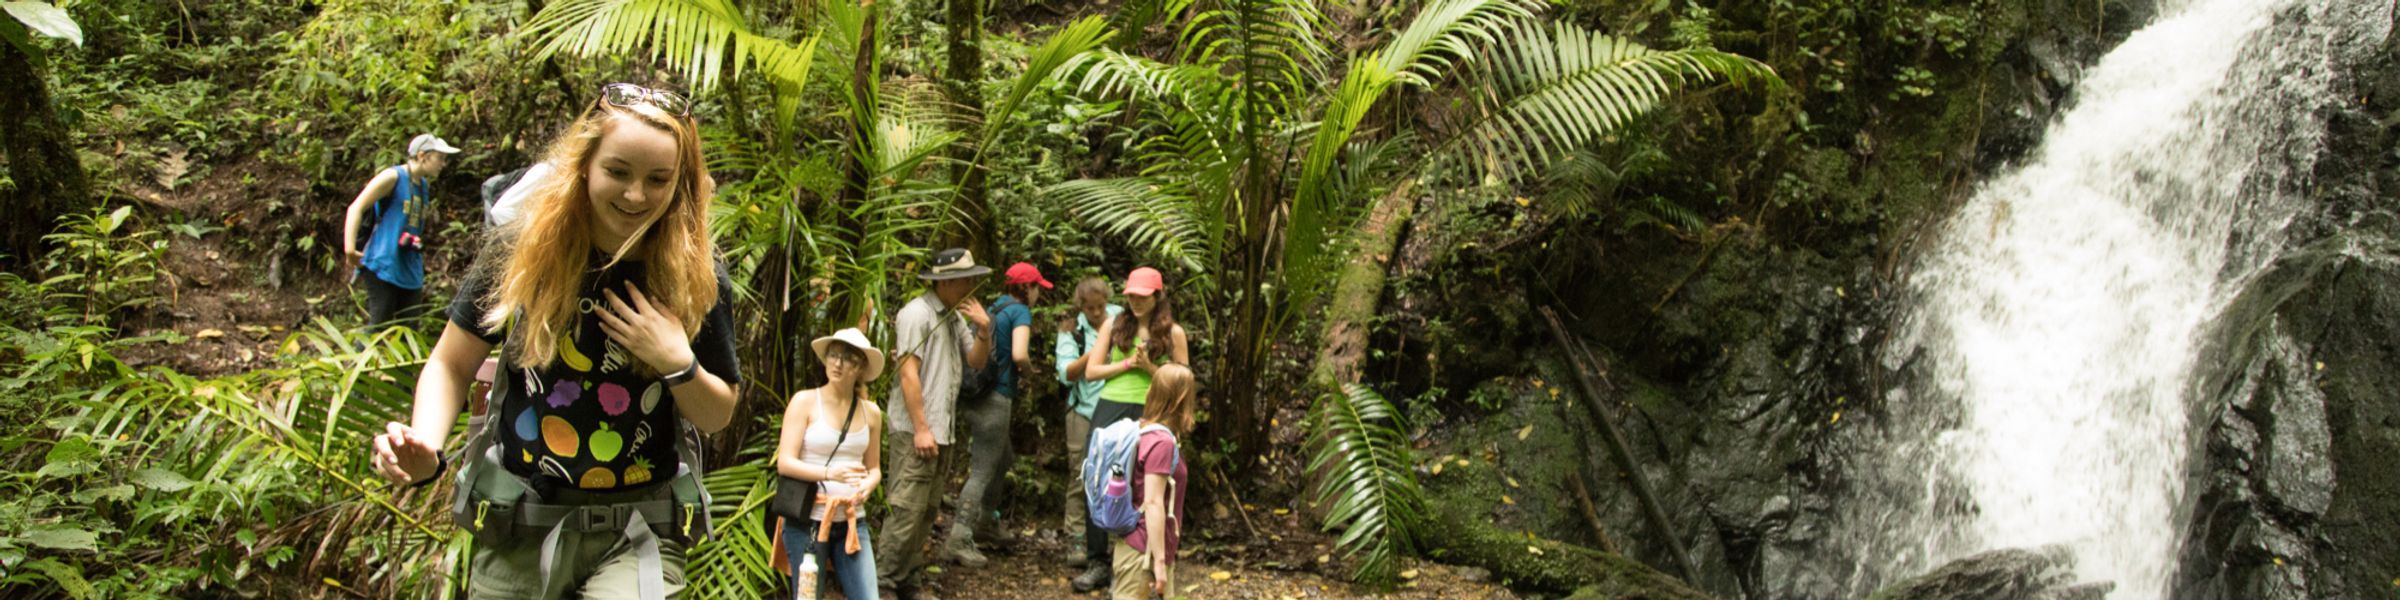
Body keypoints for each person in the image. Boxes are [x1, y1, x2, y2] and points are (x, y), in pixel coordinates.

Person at [368, 83, 740, 600]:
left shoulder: (695, 275)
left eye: (658, 179)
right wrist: (426, 448)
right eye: (617, 172)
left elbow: (718, 413)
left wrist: (678, 362)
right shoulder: (523, 251)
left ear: (680, 183)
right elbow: (452, 365)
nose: (636, 195)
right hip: (520, 526)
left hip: (638, 531)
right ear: (584, 164)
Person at [877, 247, 995, 600]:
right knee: (906, 508)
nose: (972, 285)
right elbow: (908, 373)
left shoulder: (953, 316)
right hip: (917, 429)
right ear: (948, 282)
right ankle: (883, 581)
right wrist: (921, 428)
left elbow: (974, 361)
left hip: (942, 429)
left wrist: (985, 330)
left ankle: (908, 578)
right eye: (967, 279)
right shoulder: (917, 313)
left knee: (927, 510)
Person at [1071, 266, 1188, 592]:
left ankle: (1151, 561)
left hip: (1153, 411)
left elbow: (1182, 383)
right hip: (1111, 407)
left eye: (1142, 295)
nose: (1135, 301)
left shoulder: (1173, 333)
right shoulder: (1114, 323)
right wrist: (1127, 364)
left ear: (1156, 295)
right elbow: (1092, 371)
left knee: (1153, 489)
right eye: (1131, 295)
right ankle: (1098, 560)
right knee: (1097, 480)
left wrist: (1149, 367)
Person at [944, 262, 1049, 567]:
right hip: (997, 397)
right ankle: (959, 537)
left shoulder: (993, 307)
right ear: (1026, 289)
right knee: (983, 470)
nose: (1038, 293)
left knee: (1004, 458)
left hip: (976, 394)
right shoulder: (1020, 312)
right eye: (1037, 287)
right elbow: (1019, 354)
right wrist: (1029, 372)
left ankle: (986, 522)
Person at [775, 327, 886, 599]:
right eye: (833, 356)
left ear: (860, 367)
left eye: (847, 358)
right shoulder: (804, 402)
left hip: (851, 521)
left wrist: (869, 485)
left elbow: (874, 468)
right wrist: (829, 473)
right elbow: (785, 462)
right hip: (808, 522)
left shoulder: (870, 413)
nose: (837, 363)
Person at [343, 133, 460, 330]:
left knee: (409, 329)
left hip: (408, 266)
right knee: (379, 325)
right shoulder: (393, 177)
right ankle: (358, 360)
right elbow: (356, 207)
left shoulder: (422, 184)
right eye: (440, 158)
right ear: (422, 156)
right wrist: (350, 248)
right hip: (383, 262)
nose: (443, 163)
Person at [1053, 277, 1121, 568]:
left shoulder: (1121, 318)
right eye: (1090, 308)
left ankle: (1116, 538)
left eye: (1101, 307)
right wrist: (1093, 354)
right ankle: (1077, 537)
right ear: (1081, 305)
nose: (1096, 313)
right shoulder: (1072, 330)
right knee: (1081, 476)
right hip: (1083, 411)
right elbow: (1066, 373)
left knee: (1117, 476)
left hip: (1118, 408)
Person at [1113, 364, 1194, 600]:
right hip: (1144, 553)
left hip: (1146, 549)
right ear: (1181, 399)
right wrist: (1159, 563)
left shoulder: (1148, 432)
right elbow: (1153, 501)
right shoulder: (1162, 442)